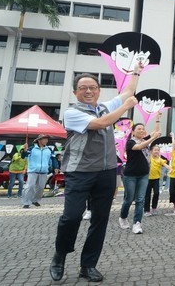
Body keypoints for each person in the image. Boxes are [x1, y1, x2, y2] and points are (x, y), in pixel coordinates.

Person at [50, 65, 141, 283]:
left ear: (99, 90)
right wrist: (126, 107)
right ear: (75, 92)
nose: (88, 91)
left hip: (106, 172)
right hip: (79, 173)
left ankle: (88, 265)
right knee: (71, 216)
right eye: (83, 88)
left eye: (93, 87)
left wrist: (136, 72)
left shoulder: (104, 106)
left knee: (100, 220)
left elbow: (128, 93)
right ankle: (60, 255)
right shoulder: (72, 113)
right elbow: (102, 123)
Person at [120, 123, 159, 233]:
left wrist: (158, 119)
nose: (142, 130)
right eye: (139, 129)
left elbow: (155, 132)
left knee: (140, 199)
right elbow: (139, 147)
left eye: (143, 129)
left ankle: (137, 223)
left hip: (144, 175)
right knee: (129, 199)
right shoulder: (131, 142)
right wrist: (152, 138)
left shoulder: (144, 139)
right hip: (130, 175)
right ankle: (123, 217)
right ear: (133, 131)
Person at [21, 135, 57, 209]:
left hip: (44, 171)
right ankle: (26, 202)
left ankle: (35, 200)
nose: (46, 140)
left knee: (40, 187)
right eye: (44, 139)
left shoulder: (49, 149)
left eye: (47, 139)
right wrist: (24, 150)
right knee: (30, 186)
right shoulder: (31, 148)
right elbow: (23, 156)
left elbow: (53, 159)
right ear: (39, 140)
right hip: (32, 171)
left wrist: (56, 167)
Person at [144, 144, 170, 216]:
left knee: (156, 193)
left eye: (158, 150)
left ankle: (154, 208)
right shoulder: (149, 158)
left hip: (156, 179)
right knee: (147, 195)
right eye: (155, 150)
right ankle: (146, 210)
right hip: (148, 179)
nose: (156, 151)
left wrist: (170, 168)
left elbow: (165, 165)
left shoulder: (160, 159)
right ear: (151, 151)